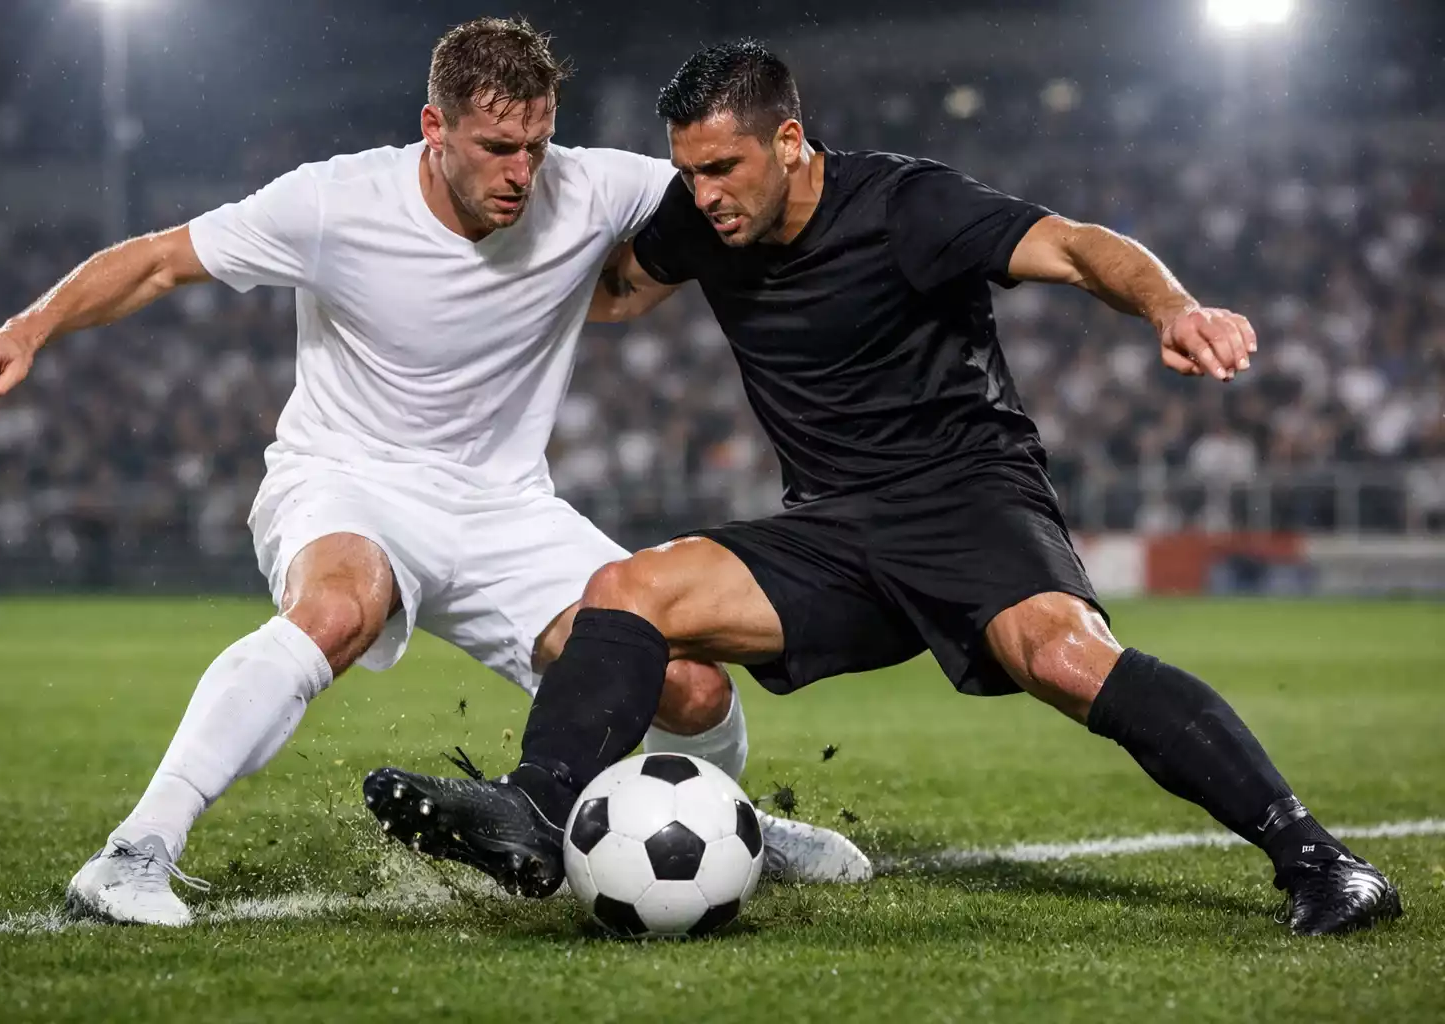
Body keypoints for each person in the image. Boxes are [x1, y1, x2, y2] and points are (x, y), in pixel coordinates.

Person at [363, 41, 1402, 937]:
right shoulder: (701, 220)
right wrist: (454, 267)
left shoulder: (908, 205)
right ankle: (536, 812)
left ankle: (1322, 861)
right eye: (687, 171)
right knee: (629, 589)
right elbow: (616, 291)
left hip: (966, 497)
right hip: (833, 529)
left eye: (722, 167)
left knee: (1064, 657)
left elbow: (1078, 247)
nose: (703, 193)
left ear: (787, 141)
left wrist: (1173, 309)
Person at [0, 21, 868, 928]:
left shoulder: (588, 187)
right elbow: (157, 263)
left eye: (538, 145)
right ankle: (135, 851)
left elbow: (744, 185)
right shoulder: (335, 203)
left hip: (507, 507)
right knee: (336, 610)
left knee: (691, 682)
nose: (523, 171)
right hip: (350, 476)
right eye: (498, 147)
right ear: (435, 128)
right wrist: (26, 330)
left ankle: (723, 823)